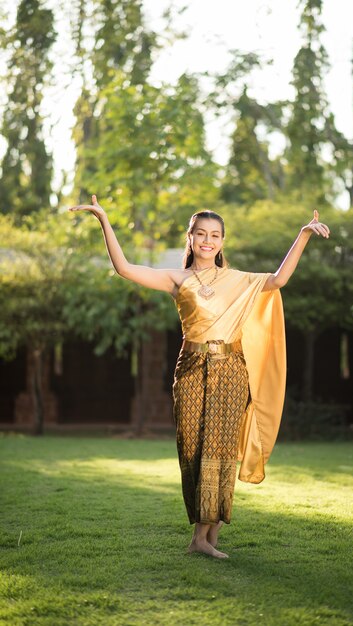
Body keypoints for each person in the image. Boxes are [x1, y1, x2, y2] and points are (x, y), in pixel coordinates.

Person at [68, 195, 330, 559]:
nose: (208, 241)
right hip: (190, 370)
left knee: (221, 451)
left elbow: (279, 279)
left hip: (231, 370)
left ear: (223, 242)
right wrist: (103, 220)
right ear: (189, 238)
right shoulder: (177, 279)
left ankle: (205, 537)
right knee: (192, 451)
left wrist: (302, 235)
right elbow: (125, 268)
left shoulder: (239, 280)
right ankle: (200, 536)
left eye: (216, 235)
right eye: (201, 234)